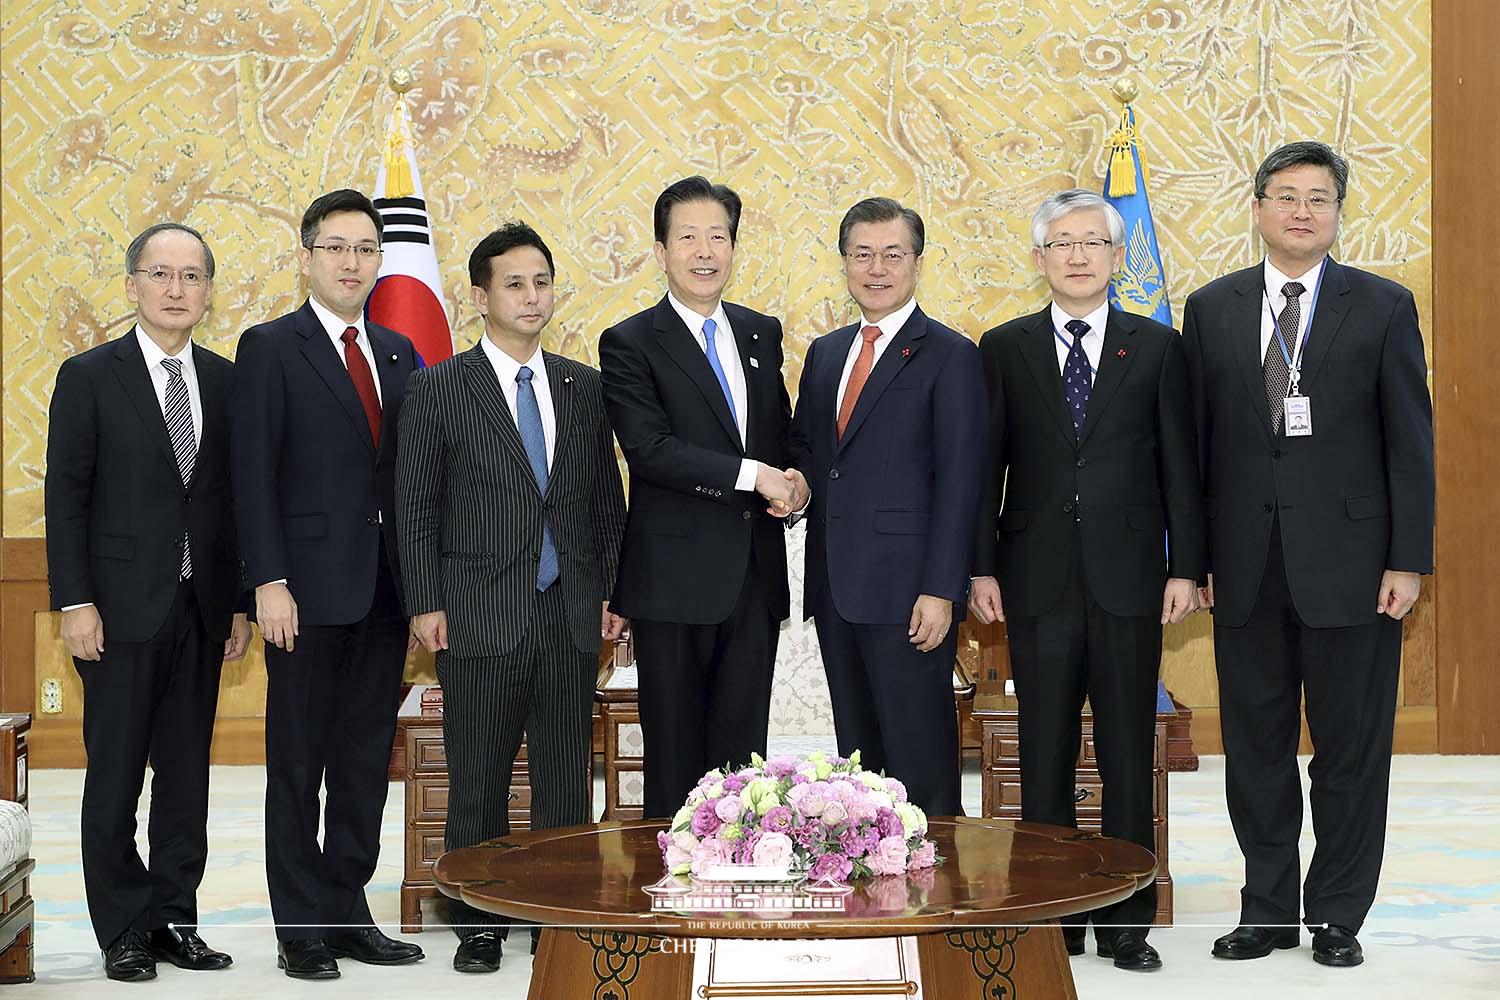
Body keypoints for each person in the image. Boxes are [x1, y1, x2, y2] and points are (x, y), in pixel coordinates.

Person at [1181, 142, 1434, 968]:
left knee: (1350, 751)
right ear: (1256, 208)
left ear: (1337, 214)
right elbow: (1197, 446)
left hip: (1358, 570)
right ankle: (1264, 908)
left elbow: (1411, 444)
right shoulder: (1211, 308)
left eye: (1318, 199)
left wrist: (1408, 560)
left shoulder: (1385, 306)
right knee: (1254, 748)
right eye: (1285, 197)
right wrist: (1197, 555)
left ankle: (1335, 916)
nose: (1300, 212)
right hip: (1245, 565)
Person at [969, 190, 1204, 971]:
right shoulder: (1003, 347)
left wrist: (1186, 568)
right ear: (1039, 259)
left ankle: (1127, 919)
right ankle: (1053, 915)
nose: (1077, 255)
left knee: (1129, 751)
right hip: (1033, 578)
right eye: (1061, 243)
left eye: (1092, 242)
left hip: (1132, 576)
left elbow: (1182, 468)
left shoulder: (1159, 347)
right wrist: (978, 566)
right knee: (1044, 753)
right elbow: (984, 470)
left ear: (1115, 256)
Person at [396, 222, 627, 973]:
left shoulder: (582, 385)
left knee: (564, 780)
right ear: (480, 297)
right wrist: (426, 601)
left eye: (542, 282)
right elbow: (417, 507)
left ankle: (554, 917)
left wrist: (609, 593)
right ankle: (478, 922)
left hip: (568, 614)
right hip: (475, 615)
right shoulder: (437, 387)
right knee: (479, 782)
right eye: (515, 284)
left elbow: (603, 502)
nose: (532, 297)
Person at [45, 222, 250, 981]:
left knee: (186, 779)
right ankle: (124, 930)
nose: (175, 289)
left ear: (206, 290)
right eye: (160, 274)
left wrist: (236, 604)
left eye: (191, 276)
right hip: (119, 611)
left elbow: (232, 501)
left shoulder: (228, 383)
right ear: (132, 284)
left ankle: (175, 920)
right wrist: (75, 601)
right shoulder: (90, 376)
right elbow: (65, 497)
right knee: (114, 780)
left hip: (203, 611)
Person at [232, 189, 424, 979]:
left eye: (366, 249)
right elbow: (251, 476)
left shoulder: (398, 352)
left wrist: (423, 590)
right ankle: (300, 927)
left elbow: (411, 480)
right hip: (302, 595)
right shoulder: (270, 346)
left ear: (381, 262)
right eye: (337, 248)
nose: (352, 263)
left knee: (362, 762)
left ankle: (349, 911)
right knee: (299, 763)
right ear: (307, 255)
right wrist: (266, 582)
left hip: (385, 594)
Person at [598, 176, 807, 819]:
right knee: (678, 756)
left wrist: (797, 479)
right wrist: (756, 476)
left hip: (753, 573)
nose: (704, 250)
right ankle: (678, 897)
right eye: (687, 236)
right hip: (674, 582)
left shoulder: (758, 332)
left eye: (718, 236)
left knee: (745, 759)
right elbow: (651, 449)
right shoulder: (630, 341)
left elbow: (779, 430)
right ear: (661, 252)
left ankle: (739, 886)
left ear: (735, 248)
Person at [788, 197, 987, 817]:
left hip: (910, 597)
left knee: (919, 762)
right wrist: (786, 483)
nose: (877, 268)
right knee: (860, 769)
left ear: (917, 262)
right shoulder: (826, 353)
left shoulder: (951, 355)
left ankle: (936, 901)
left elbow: (963, 482)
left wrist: (941, 589)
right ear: (845, 262)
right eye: (862, 254)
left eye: (893, 254)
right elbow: (811, 453)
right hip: (837, 589)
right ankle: (871, 898)